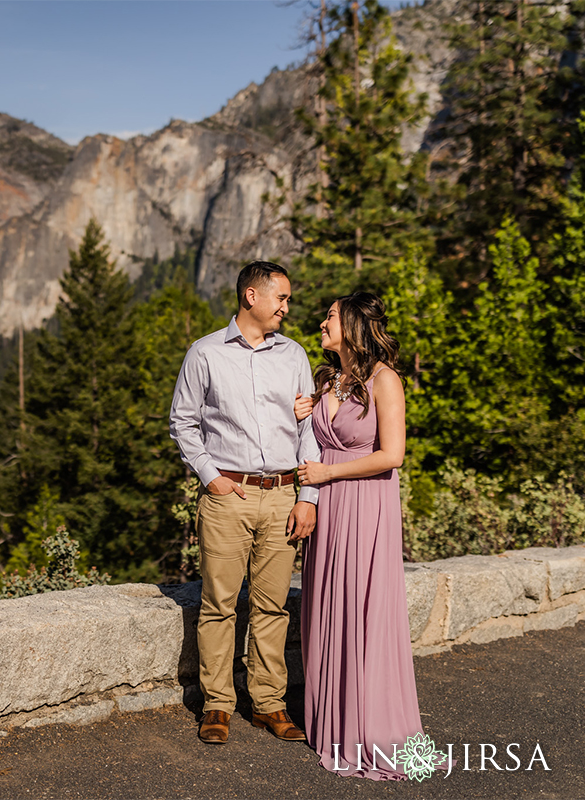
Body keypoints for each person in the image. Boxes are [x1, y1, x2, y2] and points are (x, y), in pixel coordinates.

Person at [167, 260, 320, 746]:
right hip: (227, 497)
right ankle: (217, 704)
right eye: (282, 298)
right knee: (219, 605)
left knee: (273, 607)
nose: (287, 308)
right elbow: (183, 422)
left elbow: (308, 429)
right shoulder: (205, 353)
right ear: (252, 296)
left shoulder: (294, 354)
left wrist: (308, 496)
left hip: (281, 498)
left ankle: (269, 704)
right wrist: (212, 478)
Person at [292, 292, 426, 779]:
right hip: (328, 511)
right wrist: (302, 410)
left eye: (329, 316)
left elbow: (393, 455)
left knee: (362, 607)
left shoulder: (384, 379)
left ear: (351, 325)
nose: (320, 322)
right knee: (327, 605)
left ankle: (368, 723)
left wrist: (327, 477)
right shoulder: (329, 379)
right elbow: (314, 438)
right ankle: (330, 717)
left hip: (364, 505)